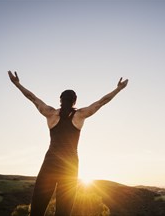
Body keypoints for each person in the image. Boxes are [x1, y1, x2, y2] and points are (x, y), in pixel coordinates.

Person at [8, 71, 128, 216]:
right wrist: (118, 89)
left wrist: (17, 83)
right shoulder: (80, 115)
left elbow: (32, 98)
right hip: (69, 166)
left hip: (50, 163)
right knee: (64, 211)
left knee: (37, 209)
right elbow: (102, 102)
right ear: (74, 101)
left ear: (60, 100)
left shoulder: (50, 113)